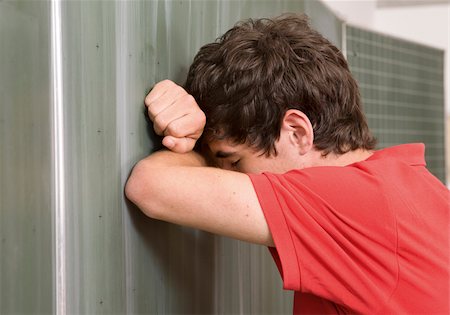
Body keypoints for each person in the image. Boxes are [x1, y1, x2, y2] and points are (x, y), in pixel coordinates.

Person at [125, 14, 449, 314]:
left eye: (233, 160)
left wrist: (189, 143)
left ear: (296, 132)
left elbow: (150, 186)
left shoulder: (349, 201)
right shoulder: (410, 190)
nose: (226, 175)